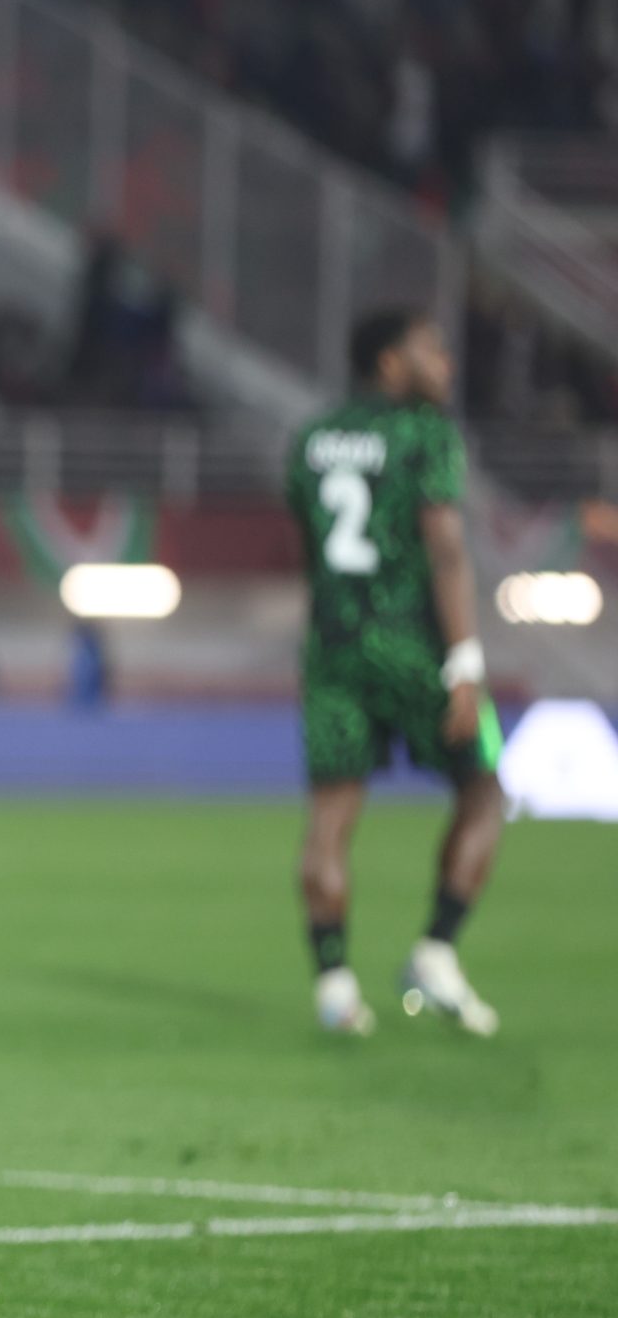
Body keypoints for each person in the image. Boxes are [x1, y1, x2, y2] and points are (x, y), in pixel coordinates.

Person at [288, 308, 505, 1038]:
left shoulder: (311, 439)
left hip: (332, 648)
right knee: (485, 789)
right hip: (412, 644)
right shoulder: (425, 434)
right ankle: (437, 950)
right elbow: (445, 549)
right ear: (389, 364)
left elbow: (309, 542)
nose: (445, 362)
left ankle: (334, 987)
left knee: (330, 816)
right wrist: (466, 661)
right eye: (431, 350)